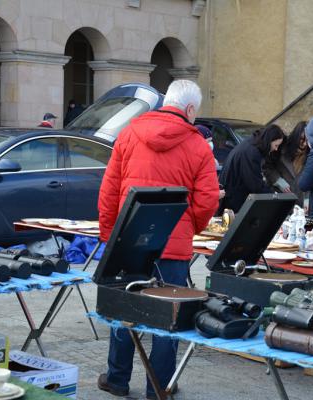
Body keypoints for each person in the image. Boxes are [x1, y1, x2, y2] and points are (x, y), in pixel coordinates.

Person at [97, 80, 219, 399]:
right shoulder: (197, 146)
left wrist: (110, 236)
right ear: (190, 109)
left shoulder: (129, 132)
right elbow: (207, 201)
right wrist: (187, 227)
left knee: (126, 307)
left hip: (130, 240)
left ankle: (117, 379)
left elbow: (109, 190)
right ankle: (159, 386)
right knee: (168, 317)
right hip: (174, 247)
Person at [218, 124, 284, 212]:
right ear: (269, 141)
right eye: (276, 145)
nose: (276, 149)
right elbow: (254, 183)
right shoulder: (252, 152)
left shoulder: (252, 144)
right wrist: (273, 195)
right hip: (233, 198)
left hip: (231, 193)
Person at [263, 121, 308, 205]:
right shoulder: (279, 148)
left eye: (307, 140)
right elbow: (267, 167)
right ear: (296, 136)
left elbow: (311, 180)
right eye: (302, 139)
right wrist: (279, 181)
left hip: (299, 205)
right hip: (280, 199)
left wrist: (307, 200)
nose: (305, 144)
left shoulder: (311, 155)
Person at [196, 124, 225, 199]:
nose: (210, 144)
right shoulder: (196, 160)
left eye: (211, 141)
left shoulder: (212, 159)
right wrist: (215, 195)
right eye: (208, 141)